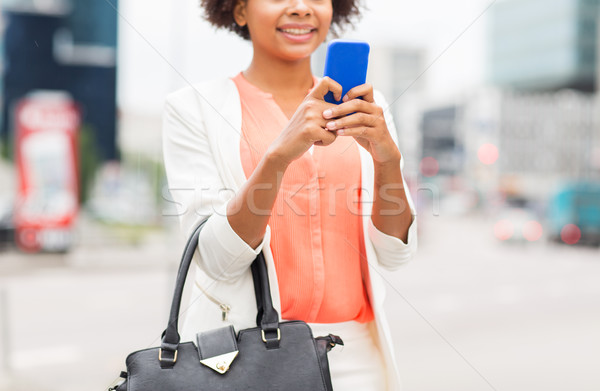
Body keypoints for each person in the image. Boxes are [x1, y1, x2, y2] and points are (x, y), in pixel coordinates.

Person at [162, 0, 417, 389]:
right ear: (240, 9)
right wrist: (277, 157)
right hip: (250, 358)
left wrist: (388, 161)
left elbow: (395, 253)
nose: (300, 8)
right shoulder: (193, 109)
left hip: (358, 359)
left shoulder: (370, 107)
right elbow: (217, 259)